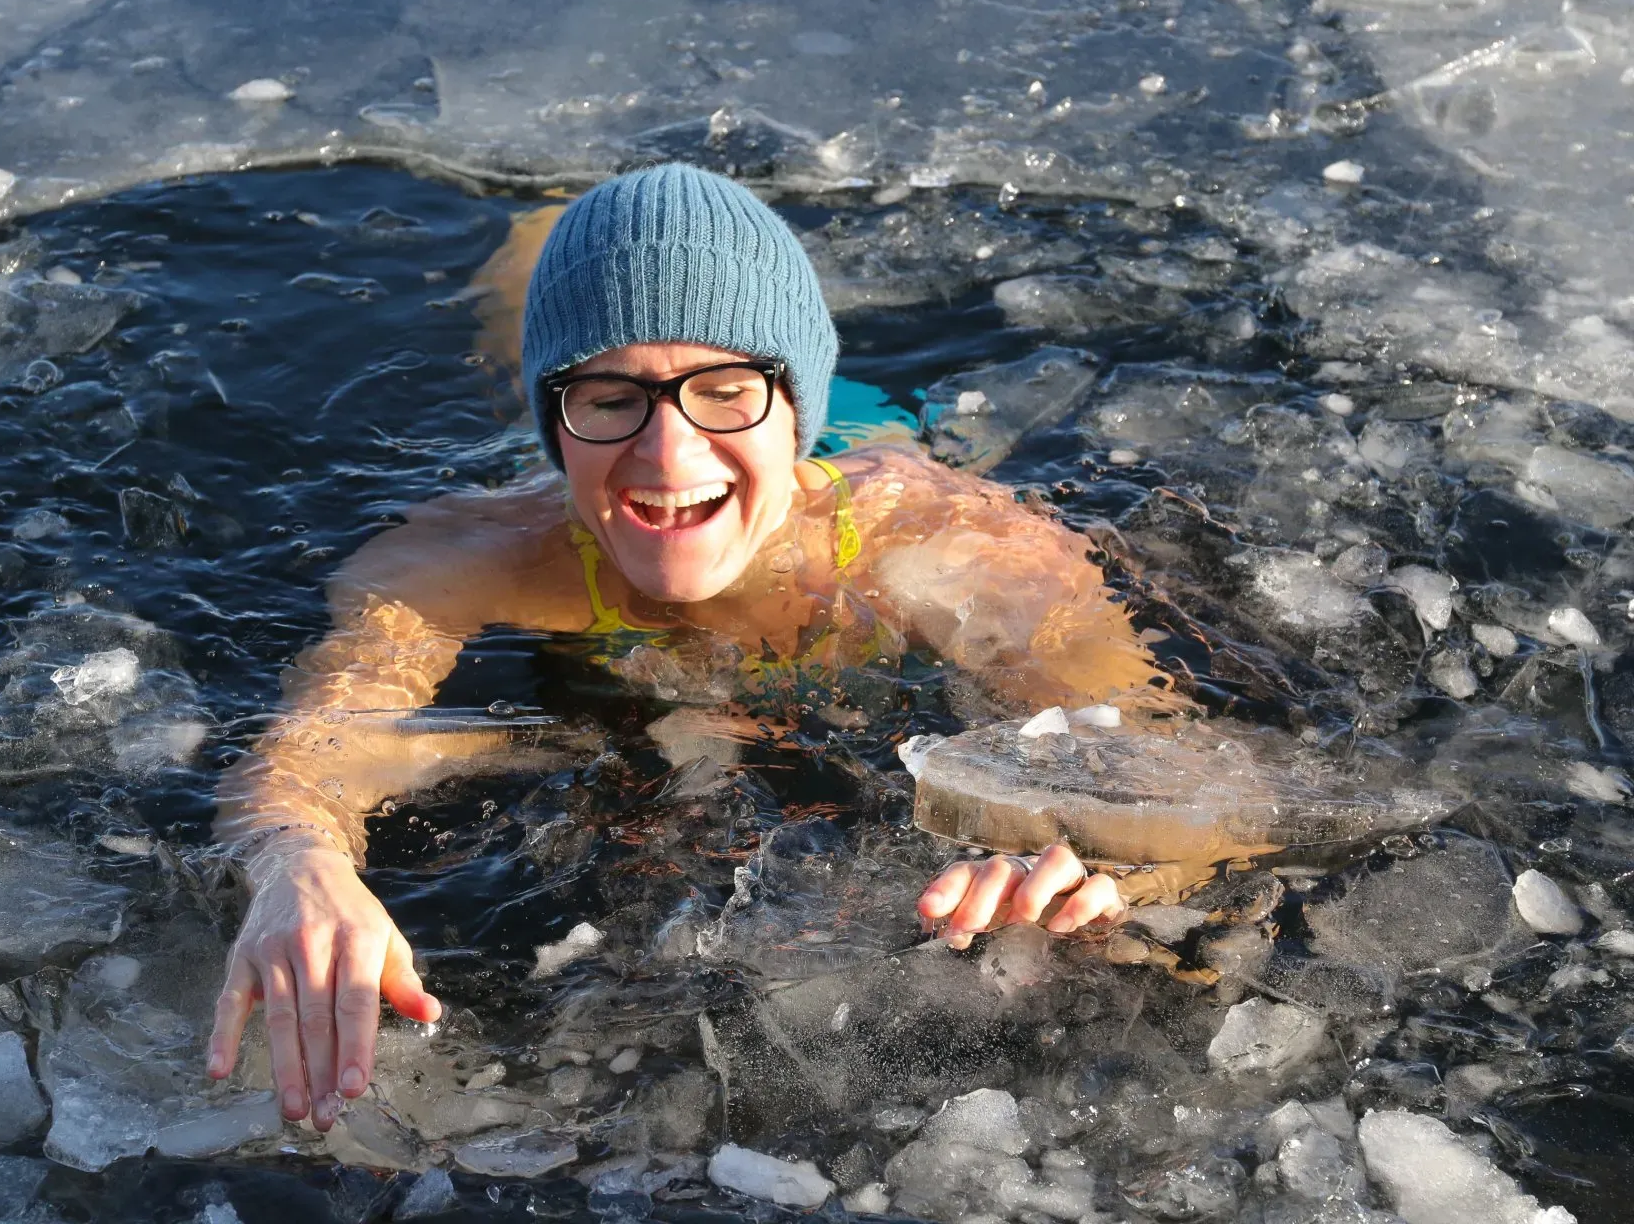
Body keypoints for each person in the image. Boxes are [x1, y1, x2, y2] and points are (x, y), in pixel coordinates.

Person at [204, 164, 1187, 1132]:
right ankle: (540, 204)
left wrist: (1111, 861)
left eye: (726, 390)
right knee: (524, 296)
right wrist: (297, 866)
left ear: (793, 405)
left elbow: (1156, 757)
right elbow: (301, 760)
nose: (668, 454)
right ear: (562, 417)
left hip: (873, 443)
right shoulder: (473, 556)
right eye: (606, 396)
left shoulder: (944, 540)